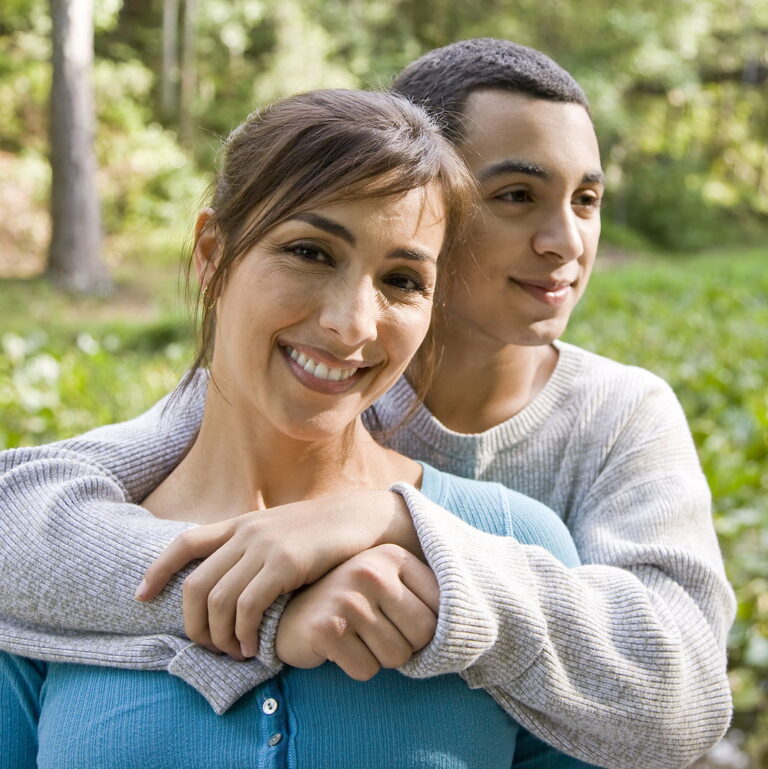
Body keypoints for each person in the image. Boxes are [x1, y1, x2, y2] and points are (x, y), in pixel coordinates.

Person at [0, 39, 733, 768]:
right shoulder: (211, 424)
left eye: (587, 199)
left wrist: (399, 524)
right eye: (515, 196)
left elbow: (681, 695)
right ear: (213, 256)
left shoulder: (604, 435)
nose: (565, 240)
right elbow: (24, 509)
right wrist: (269, 597)